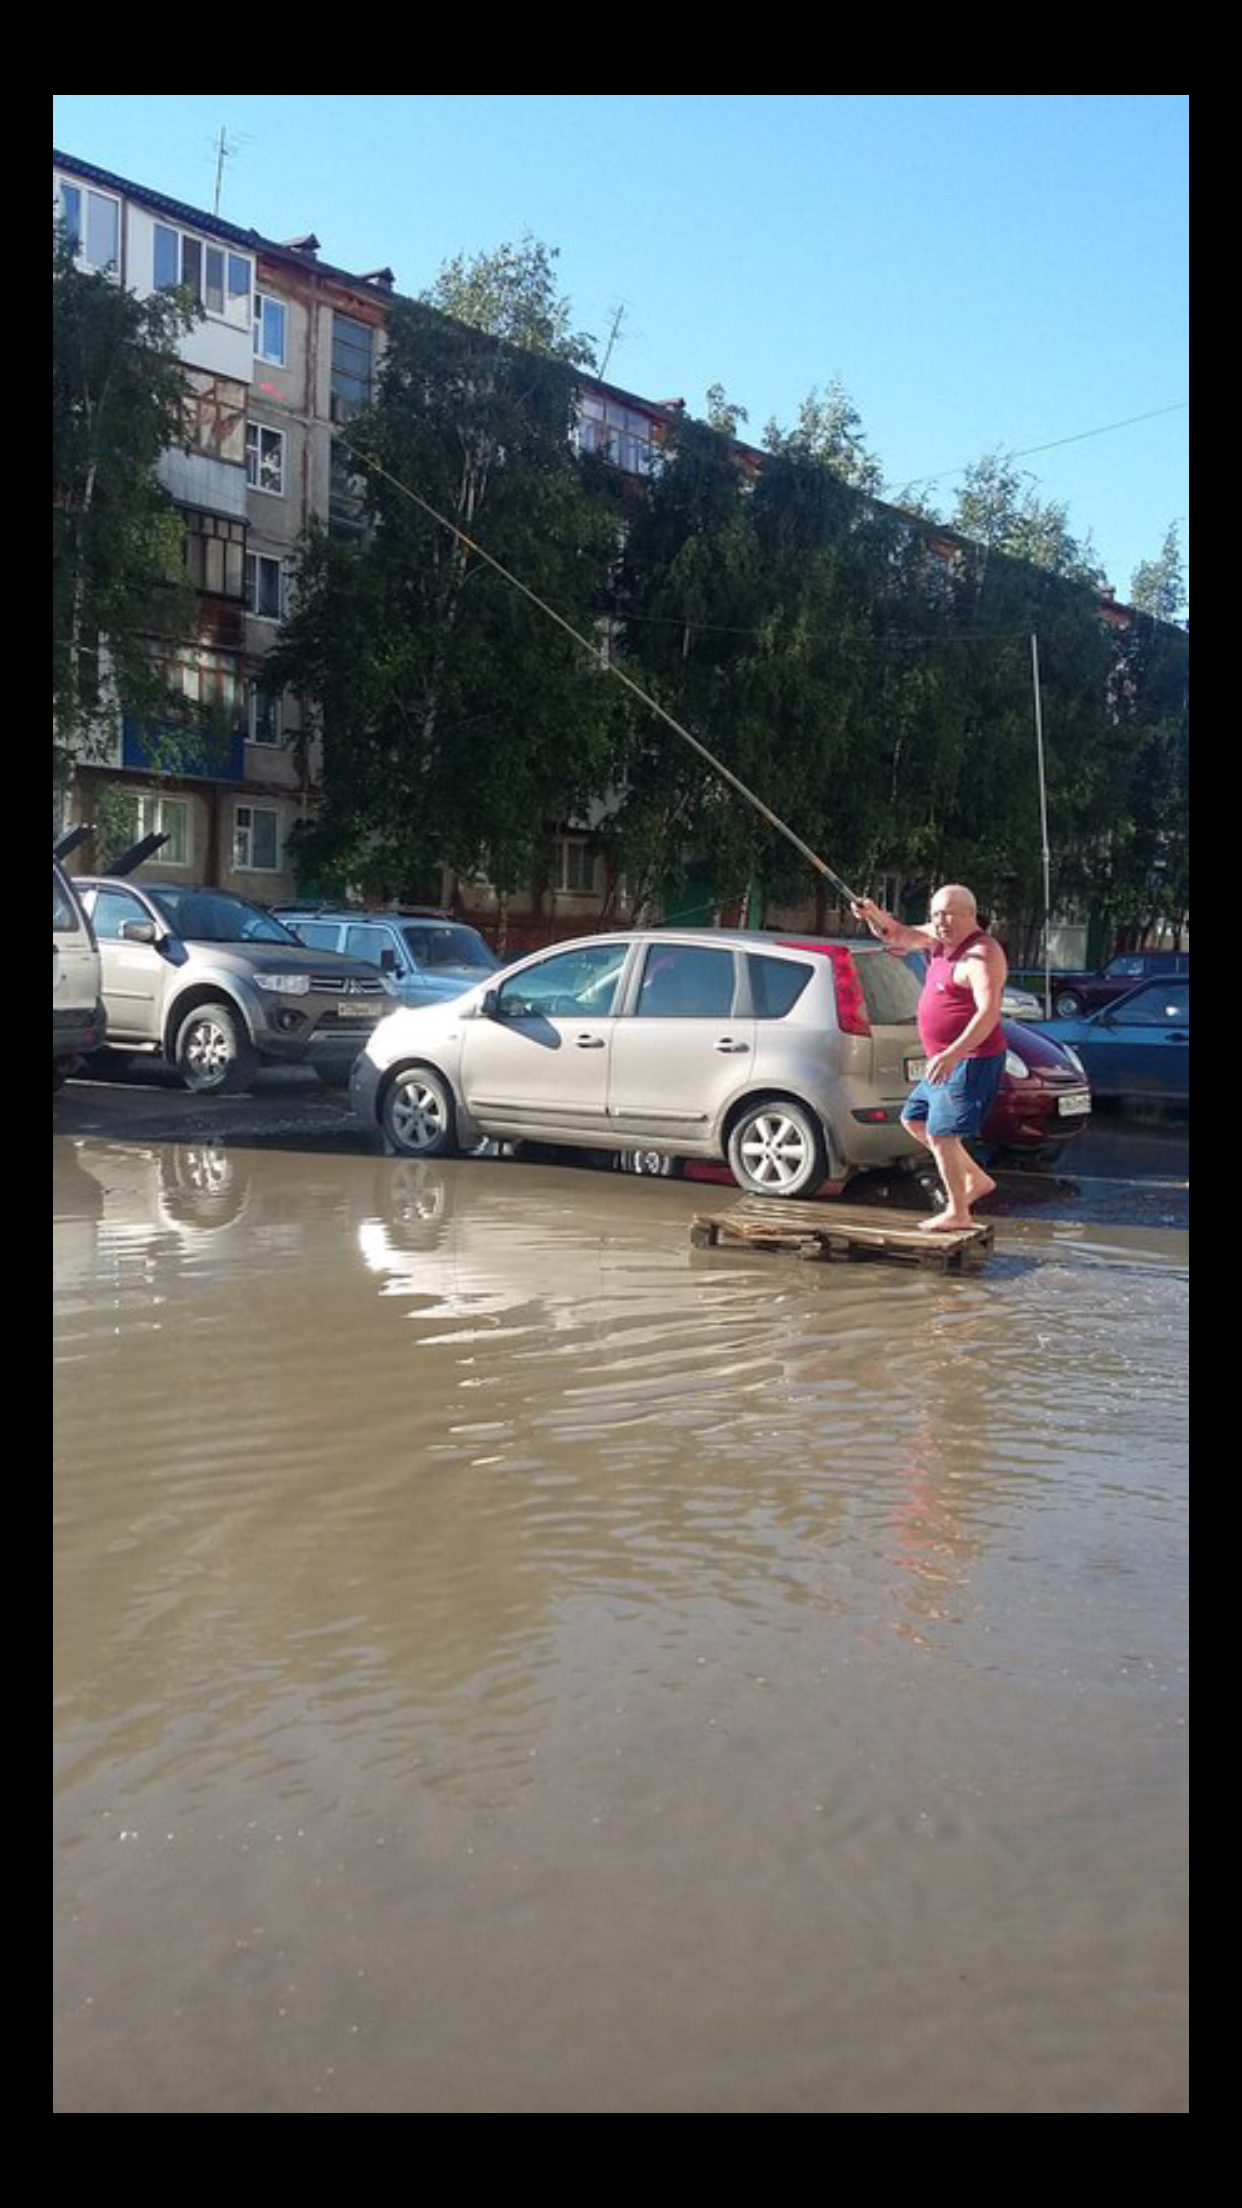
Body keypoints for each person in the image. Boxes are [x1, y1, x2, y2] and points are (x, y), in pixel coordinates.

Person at [852, 885, 1008, 1233]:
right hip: (944, 1057)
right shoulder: (938, 938)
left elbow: (988, 1014)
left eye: (949, 915)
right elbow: (899, 935)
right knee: (915, 1119)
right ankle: (976, 1180)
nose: (940, 922)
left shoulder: (982, 953)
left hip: (971, 1056)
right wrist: (873, 915)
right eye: (936, 915)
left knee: (942, 1134)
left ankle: (958, 1212)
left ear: (971, 915)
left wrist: (954, 1053)